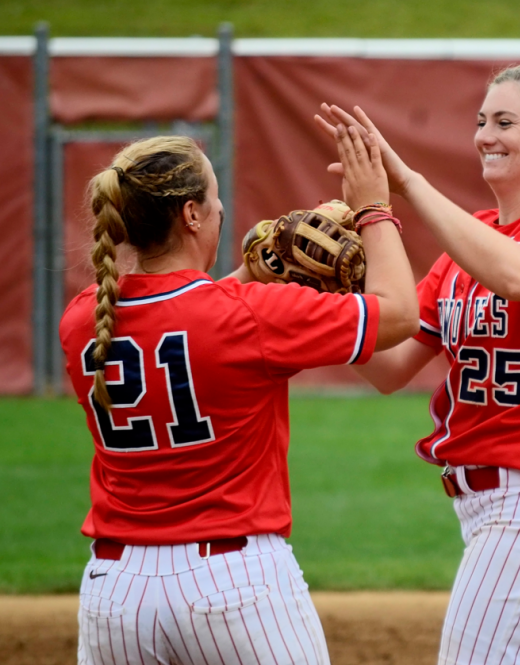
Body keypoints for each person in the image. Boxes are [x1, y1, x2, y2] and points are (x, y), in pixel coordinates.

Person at [59, 131, 417, 664]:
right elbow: (399, 314)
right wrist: (374, 209)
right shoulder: (253, 316)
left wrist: (253, 269)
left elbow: (181, 320)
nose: (223, 208)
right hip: (231, 588)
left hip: (116, 592)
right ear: (191, 215)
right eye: (214, 197)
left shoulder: (84, 317)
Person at [317, 62, 520, 665]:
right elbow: (389, 367)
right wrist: (326, 295)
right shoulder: (471, 241)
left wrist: (404, 184)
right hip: (494, 511)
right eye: (481, 121)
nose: (485, 135)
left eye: (505, 121)